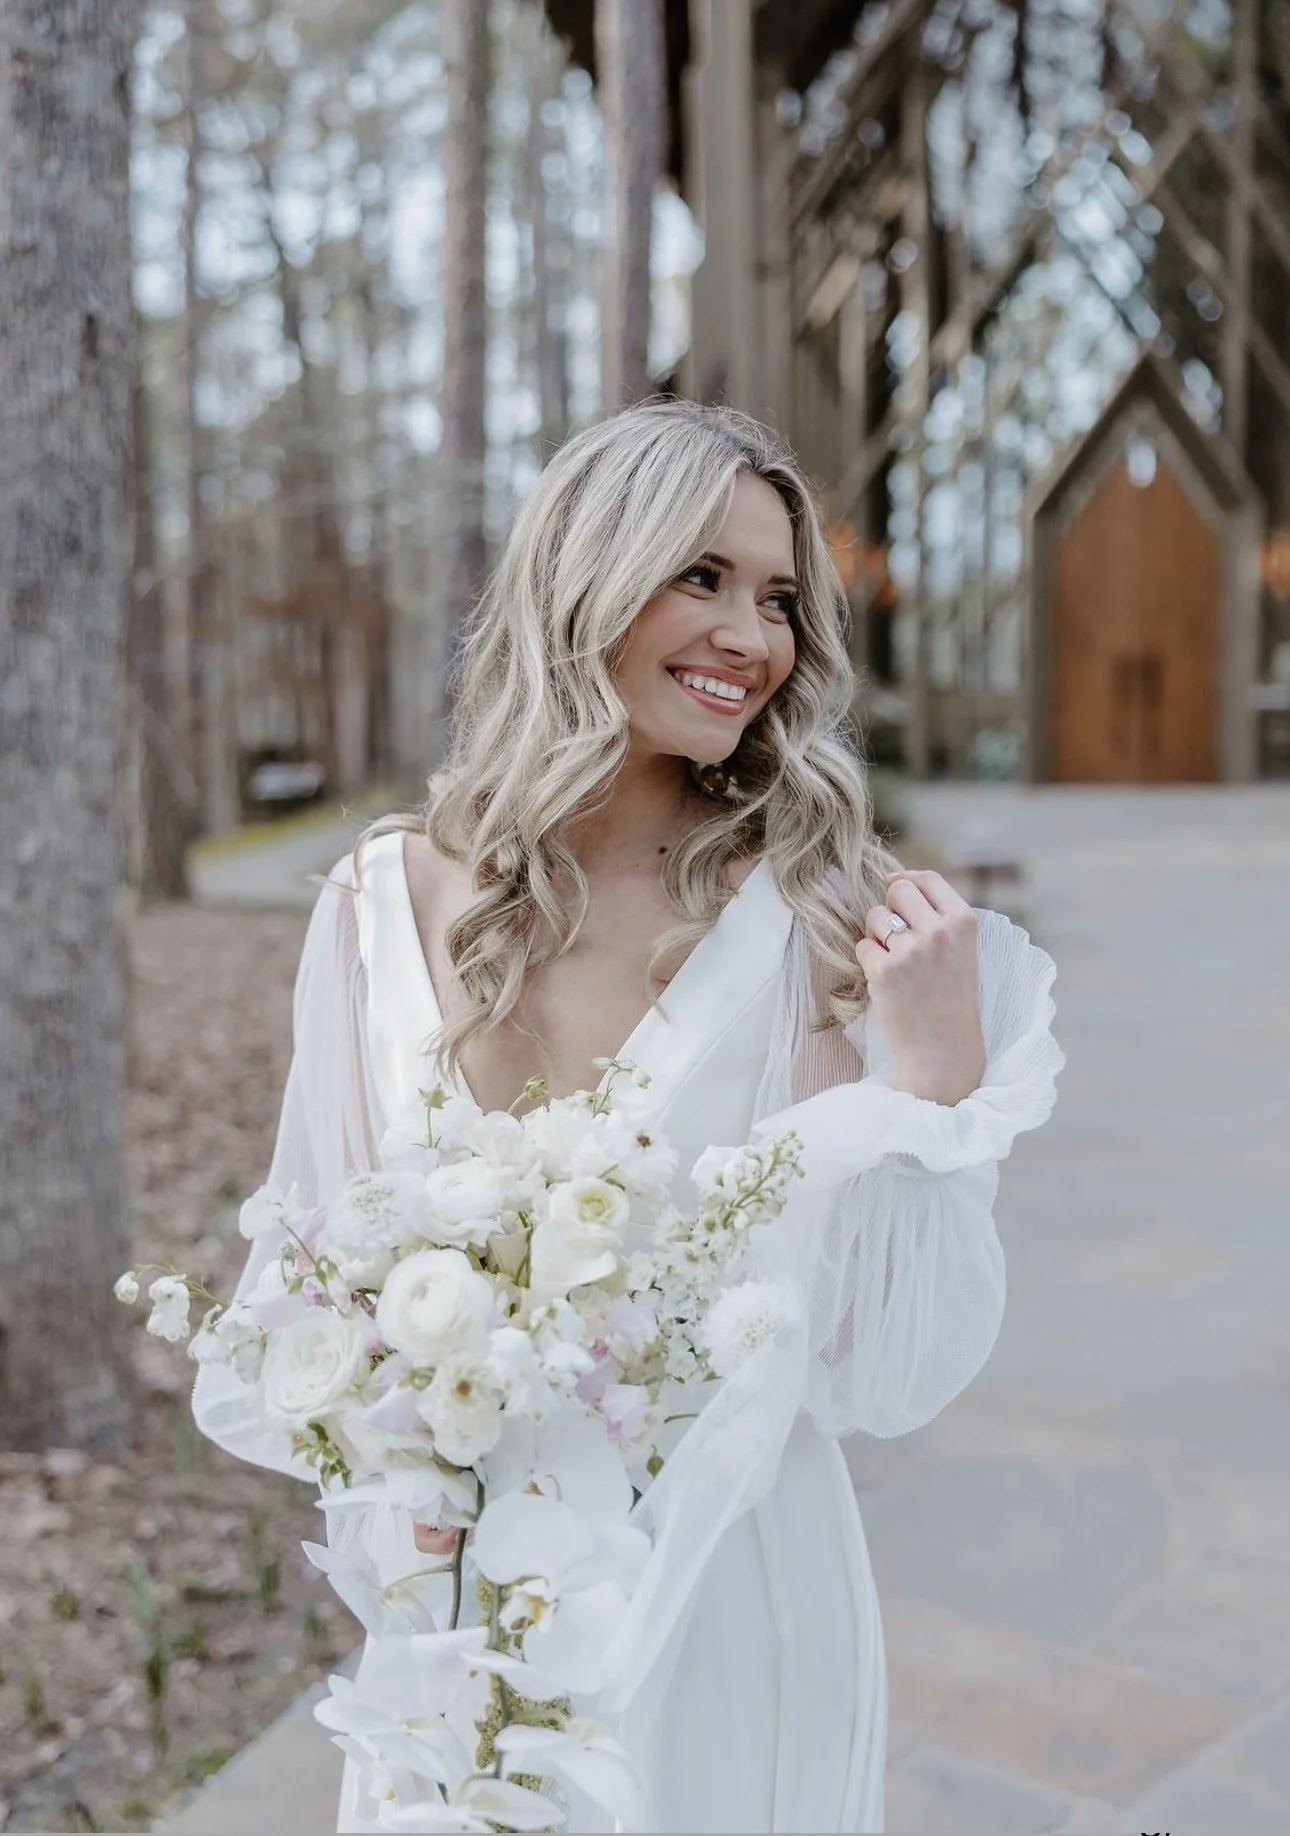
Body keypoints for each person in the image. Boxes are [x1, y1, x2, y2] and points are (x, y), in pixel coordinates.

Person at [192, 399, 1063, 1833]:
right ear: (581, 579)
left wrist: (930, 1091)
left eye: (778, 597)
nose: (751, 636)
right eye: (700, 577)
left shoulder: (806, 926)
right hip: (460, 1613)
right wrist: (405, 1536)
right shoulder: (376, 904)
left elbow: (880, 1369)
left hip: (727, 1593)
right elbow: (315, 1300)